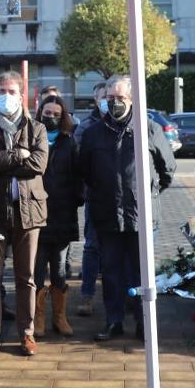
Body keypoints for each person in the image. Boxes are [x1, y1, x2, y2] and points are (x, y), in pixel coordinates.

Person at [80, 75, 175, 342]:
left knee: (141, 273)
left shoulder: (150, 129)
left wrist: (149, 193)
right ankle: (114, 321)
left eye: (120, 98)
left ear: (132, 99)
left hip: (140, 217)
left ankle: (144, 323)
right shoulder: (93, 133)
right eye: (110, 98)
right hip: (107, 215)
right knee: (110, 273)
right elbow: (85, 171)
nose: (115, 103)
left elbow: (167, 170)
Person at [0, 71, 49, 357]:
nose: (6, 96)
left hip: (29, 211)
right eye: (1, 90)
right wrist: (19, 155)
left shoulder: (36, 127)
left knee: (26, 276)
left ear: (21, 95)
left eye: (11, 91)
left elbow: (38, 165)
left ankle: (26, 334)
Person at [32, 95, 81, 338]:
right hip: (36, 215)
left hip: (62, 215)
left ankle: (59, 317)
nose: (50, 117)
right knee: (37, 268)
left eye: (55, 114)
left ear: (63, 117)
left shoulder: (69, 142)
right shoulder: (30, 138)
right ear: (39, 113)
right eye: (47, 113)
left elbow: (78, 176)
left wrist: (75, 200)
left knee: (59, 269)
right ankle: (38, 317)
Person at [75, 81, 107, 317]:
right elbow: (78, 163)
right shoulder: (85, 127)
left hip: (125, 201)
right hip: (95, 197)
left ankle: (125, 296)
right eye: (104, 97)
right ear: (96, 100)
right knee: (92, 247)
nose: (108, 101)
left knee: (125, 250)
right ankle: (87, 295)